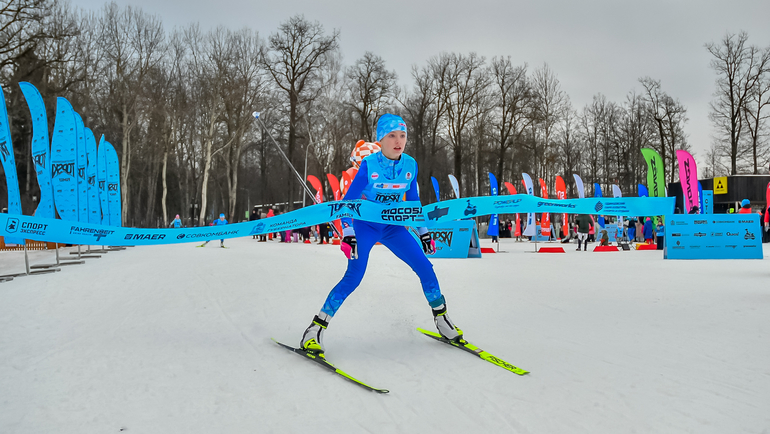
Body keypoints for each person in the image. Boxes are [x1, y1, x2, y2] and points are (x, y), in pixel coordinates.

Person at [299, 114, 461, 354]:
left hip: (394, 227)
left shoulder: (410, 165)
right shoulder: (369, 165)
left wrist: (423, 232)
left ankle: (442, 319)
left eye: (403, 136)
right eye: (391, 136)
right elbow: (348, 203)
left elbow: (413, 201)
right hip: (366, 226)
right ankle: (314, 330)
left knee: (425, 267)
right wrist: (349, 232)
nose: (398, 141)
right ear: (381, 140)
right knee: (354, 275)